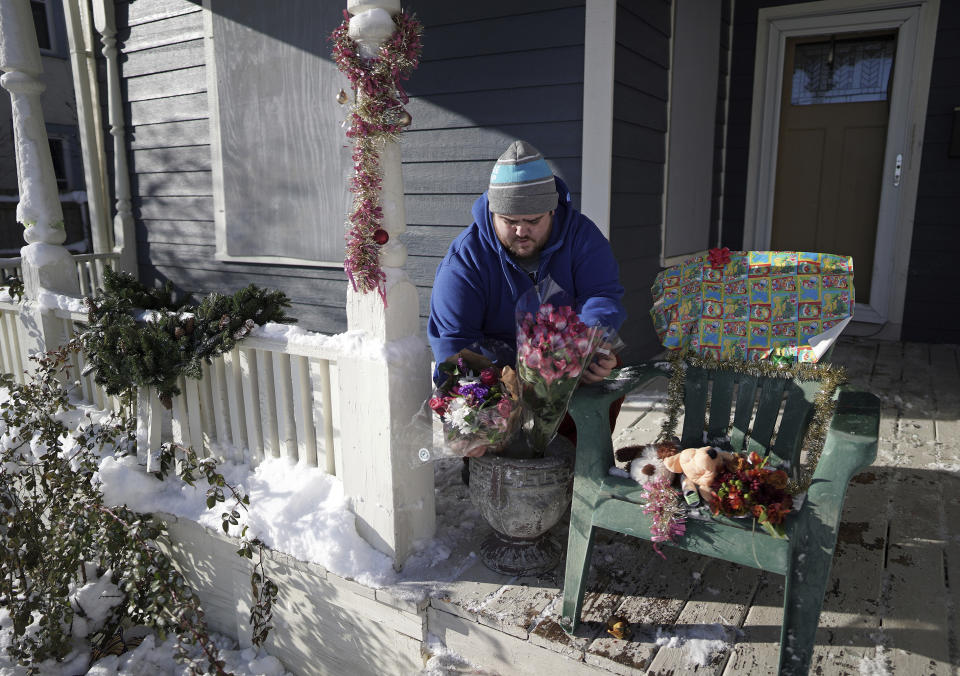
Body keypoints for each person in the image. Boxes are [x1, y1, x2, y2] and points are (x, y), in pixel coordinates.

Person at [427, 140, 627, 460]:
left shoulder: (581, 236)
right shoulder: (464, 261)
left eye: (533, 220)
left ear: (552, 208)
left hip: (563, 356)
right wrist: (473, 403)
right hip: (495, 365)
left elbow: (601, 294)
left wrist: (589, 342)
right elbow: (454, 342)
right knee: (483, 428)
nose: (521, 231)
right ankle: (492, 464)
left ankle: (576, 460)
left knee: (611, 363)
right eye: (509, 221)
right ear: (493, 212)